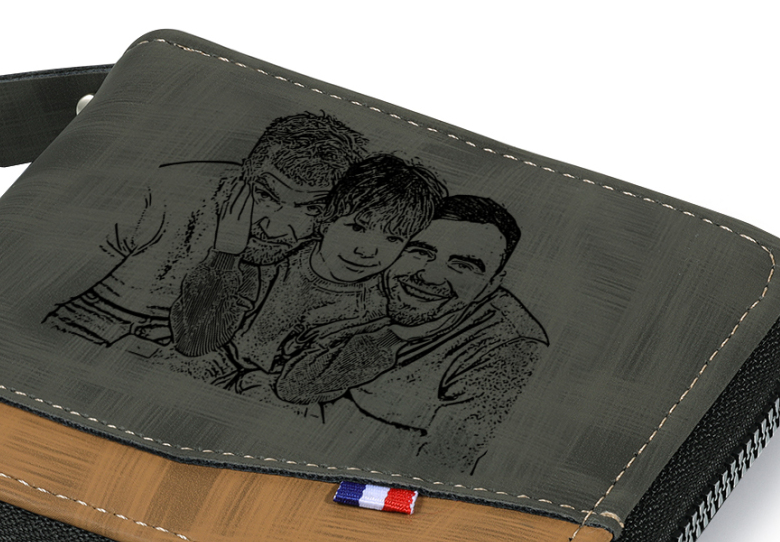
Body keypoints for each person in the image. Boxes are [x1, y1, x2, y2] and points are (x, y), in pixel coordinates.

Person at [42, 111, 368, 350]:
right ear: (244, 173)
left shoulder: (317, 247)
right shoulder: (163, 195)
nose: (276, 229)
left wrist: (226, 255)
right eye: (265, 195)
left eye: (311, 209)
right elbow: (45, 284)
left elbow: (196, 342)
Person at [273, 195, 548, 472]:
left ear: (491, 284)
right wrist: (390, 337)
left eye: (463, 266)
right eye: (420, 252)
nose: (429, 276)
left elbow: (440, 468)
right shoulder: (373, 286)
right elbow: (294, 386)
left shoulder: (513, 348)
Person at [168, 155, 447, 385]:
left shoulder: (376, 309)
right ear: (326, 221)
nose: (367, 251)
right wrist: (225, 255)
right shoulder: (271, 266)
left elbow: (302, 386)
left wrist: (391, 338)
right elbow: (194, 342)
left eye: (392, 239)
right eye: (357, 227)